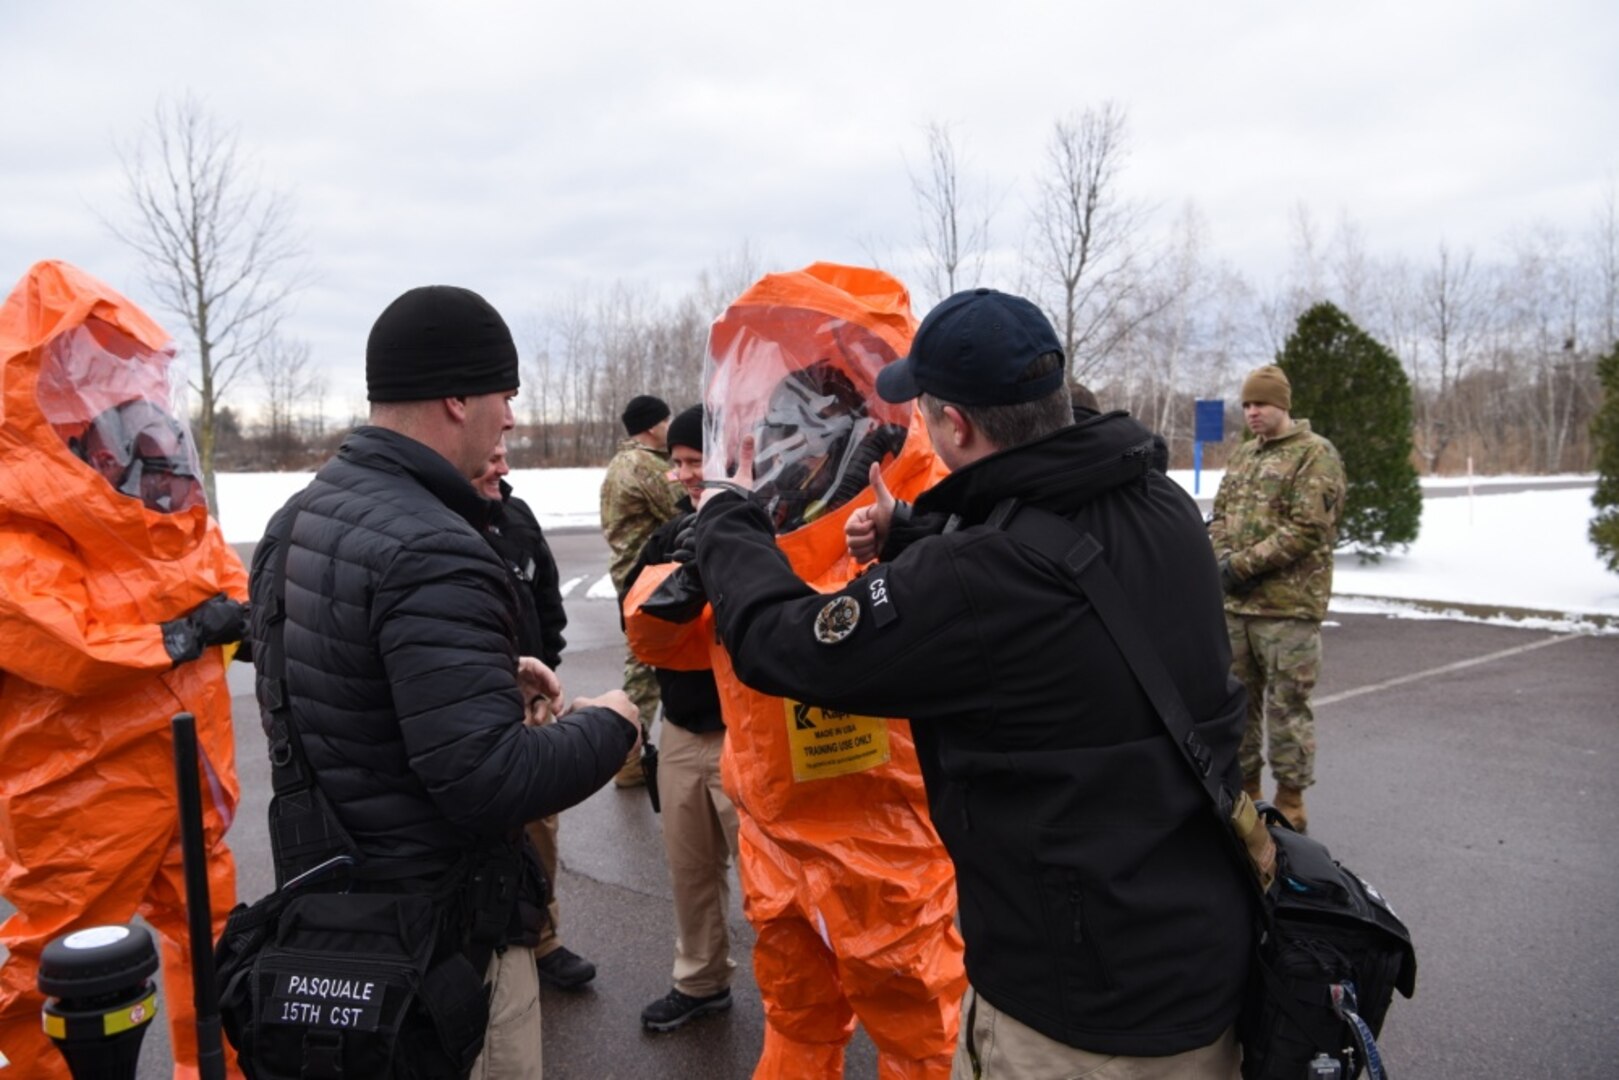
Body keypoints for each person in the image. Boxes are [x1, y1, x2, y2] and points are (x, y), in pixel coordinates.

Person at [689, 287, 1254, 1078]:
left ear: (953, 426)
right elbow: (1055, 570)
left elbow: (786, 646)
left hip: (1077, 1012)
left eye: (922, 410)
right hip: (1200, 950)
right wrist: (915, 530)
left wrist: (724, 519)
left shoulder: (976, 581)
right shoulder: (1156, 501)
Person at [249, 284, 640, 1078]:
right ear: (458, 397)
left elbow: (334, 683)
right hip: (442, 953)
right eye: (506, 395)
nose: (512, 419)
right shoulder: (436, 544)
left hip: (333, 928)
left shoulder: (300, 515)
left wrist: (482, 672)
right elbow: (487, 781)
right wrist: (610, 721)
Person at [624, 264, 965, 1078]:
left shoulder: (927, 509)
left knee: (922, 1043)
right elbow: (661, 640)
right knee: (799, 1028)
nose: (788, 442)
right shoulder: (754, 522)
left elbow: (853, 626)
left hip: (890, 848)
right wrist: (682, 573)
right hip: (776, 835)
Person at [0, 260, 247, 1080]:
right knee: (58, 967)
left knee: (211, 939)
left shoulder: (149, 484)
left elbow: (218, 577)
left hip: (188, 769)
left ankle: (217, 1067)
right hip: (78, 791)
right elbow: (57, 637)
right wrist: (180, 637)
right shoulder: (21, 515)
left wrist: (248, 623)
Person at [621, 405, 742, 1032]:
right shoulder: (668, 537)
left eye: (699, 462)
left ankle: (800, 1004)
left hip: (748, 737)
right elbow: (637, 619)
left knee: (776, 888)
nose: (688, 474)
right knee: (690, 870)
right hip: (684, 731)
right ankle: (701, 981)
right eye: (680, 462)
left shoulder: (760, 533)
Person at [475, 441, 597, 992]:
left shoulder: (516, 517)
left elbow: (547, 598)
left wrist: (543, 670)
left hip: (529, 703)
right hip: (466, 706)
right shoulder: (431, 518)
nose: (502, 466)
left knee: (539, 827)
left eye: (505, 455)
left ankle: (541, 937)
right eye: (491, 455)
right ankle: (475, 942)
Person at [1208, 363, 1346, 833]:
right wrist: (1221, 556)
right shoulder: (1244, 456)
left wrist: (1239, 566)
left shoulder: (1315, 454)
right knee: (1237, 706)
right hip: (1238, 609)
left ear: (1282, 405)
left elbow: (1308, 528)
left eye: (1261, 404)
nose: (1252, 412)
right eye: (1247, 404)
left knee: (1288, 709)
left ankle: (1290, 803)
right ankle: (1247, 797)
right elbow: (1220, 515)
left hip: (1288, 610)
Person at [599, 393, 684, 787]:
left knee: (648, 661)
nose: (670, 426)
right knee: (643, 667)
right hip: (646, 578)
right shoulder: (647, 466)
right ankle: (628, 757)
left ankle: (630, 755)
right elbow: (681, 510)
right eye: (666, 421)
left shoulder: (621, 462)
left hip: (634, 575)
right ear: (652, 426)